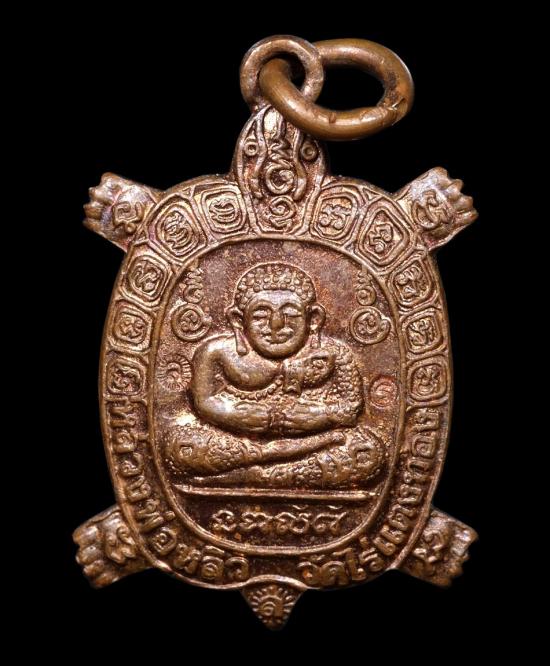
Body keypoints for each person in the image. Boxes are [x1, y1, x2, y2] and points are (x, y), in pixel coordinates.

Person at [166, 263, 381, 488]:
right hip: (239, 443)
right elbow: (204, 402)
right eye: (261, 315)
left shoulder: (333, 353)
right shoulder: (215, 352)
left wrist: (319, 415)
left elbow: (351, 407)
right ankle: (273, 466)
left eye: (290, 314)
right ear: (238, 320)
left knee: (365, 452)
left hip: (316, 441)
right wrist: (235, 415)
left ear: (314, 319)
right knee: (182, 447)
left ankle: (253, 476)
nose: (276, 325)